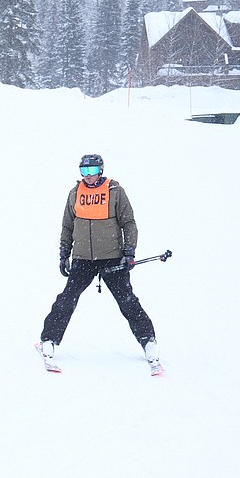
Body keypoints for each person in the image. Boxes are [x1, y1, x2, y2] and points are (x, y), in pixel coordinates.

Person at [39, 154, 160, 373]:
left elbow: (129, 223)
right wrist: (64, 252)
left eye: (92, 171)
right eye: (84, 171)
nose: (88, 176)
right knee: (67, 299)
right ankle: (49, 339)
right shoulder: (75, 193)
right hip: (83, 258)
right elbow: (68, 225)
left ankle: (148, 340)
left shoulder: (115, 192)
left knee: (127, 301)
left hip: (112, 257)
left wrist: (129, 251)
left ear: (100, 170)